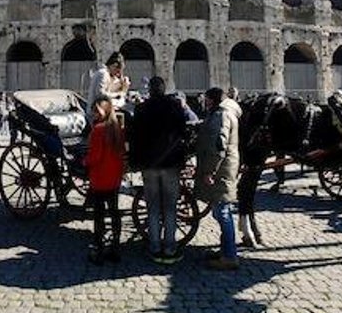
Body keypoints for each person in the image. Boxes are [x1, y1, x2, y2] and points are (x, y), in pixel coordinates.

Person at [130, 76, 188, 264]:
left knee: (153, 208)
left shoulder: (141, 109)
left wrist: (135, 163)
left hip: (150, 165)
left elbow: (134, 139)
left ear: (150, 90)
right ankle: (170, 248)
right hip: (170, 164)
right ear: (163, 89)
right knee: (170, 209)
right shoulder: (175, 107)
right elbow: (183, 133)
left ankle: (154, 247)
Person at [195, 87, 241, 271]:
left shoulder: (221, 116)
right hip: (224, 167)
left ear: (212, 100)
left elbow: (218, 146)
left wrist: (209, 171)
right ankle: (225, 250)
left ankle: (230, 256)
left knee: (222, 212)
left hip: (221, 170)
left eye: (206, 100)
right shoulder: (223, 113)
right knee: (222, 210)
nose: (204, 103)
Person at [83, 97, 126, 264]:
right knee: (114, 212)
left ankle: (99, 250)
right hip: (114, 178)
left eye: (95, 110)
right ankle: (115, 249)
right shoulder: (117, 128)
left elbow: (95, 157)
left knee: (99, 215)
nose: (93, 114)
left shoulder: (98, 130)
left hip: (100, 178)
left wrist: (83, 162)